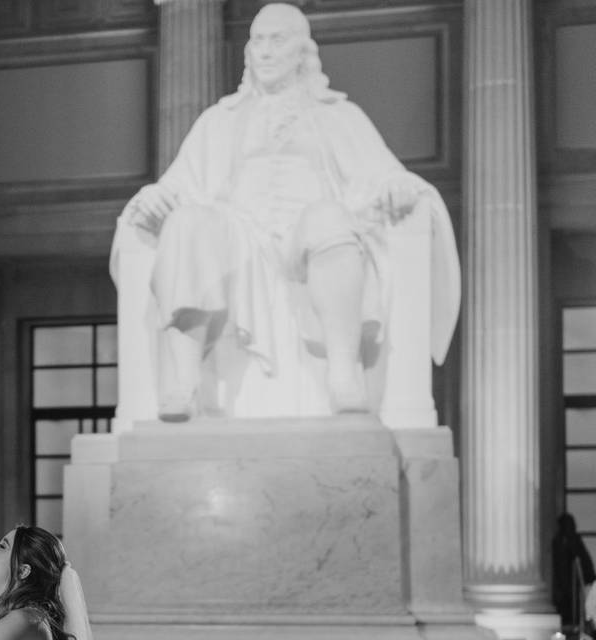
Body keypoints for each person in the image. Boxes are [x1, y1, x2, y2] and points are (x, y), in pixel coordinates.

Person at [115, 3, 459, 421]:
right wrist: (154, 196)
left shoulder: (339, 116)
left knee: (329, 219)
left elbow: (383, 174)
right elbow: (179, 185)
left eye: (276, 40)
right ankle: (184, 383)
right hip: (237, 233)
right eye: (256, 41)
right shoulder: (218, 121)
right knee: (186, 223)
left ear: (301, 50)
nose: (264, 51)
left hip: (308, 231)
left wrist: (397, 185)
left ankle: (343, 370)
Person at [552, 512, 596, 630]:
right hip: (561, 582)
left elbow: (584, 558)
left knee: (573, 608)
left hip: (572, 583)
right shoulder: (558, 541)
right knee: (564, 607)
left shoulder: (574, 539)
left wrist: (589, 576)